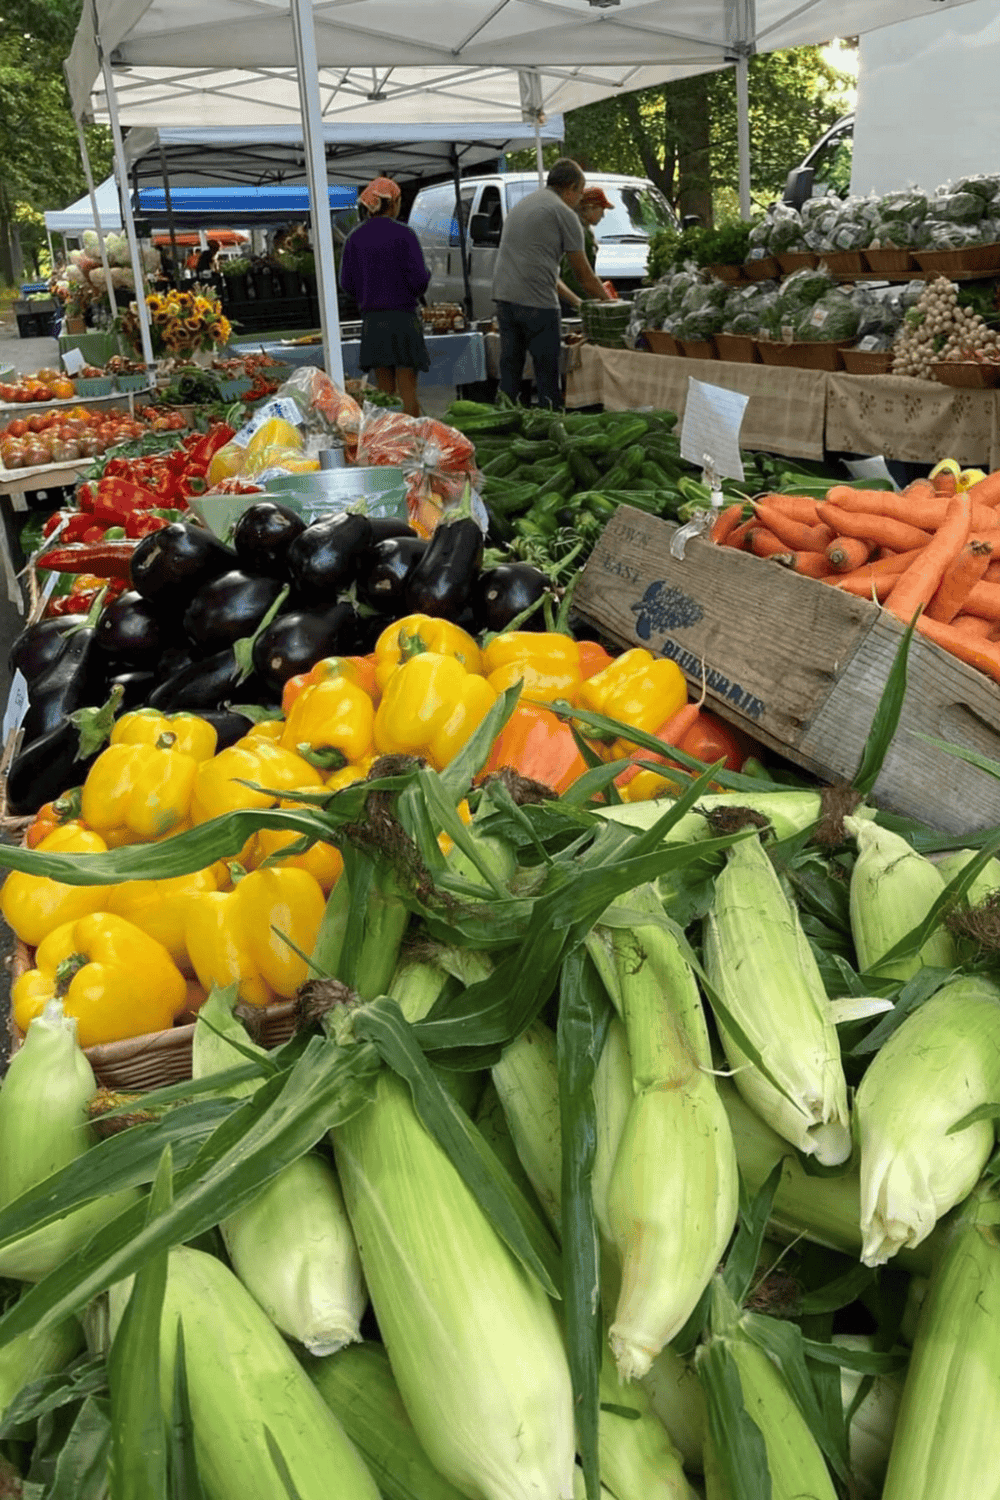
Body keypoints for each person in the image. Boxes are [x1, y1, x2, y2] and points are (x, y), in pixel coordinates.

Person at [491, 158, 611, 409]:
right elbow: (584, 276)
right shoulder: (564, 214)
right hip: (538, 305)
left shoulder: (525, 204)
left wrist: (576, 302)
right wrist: (611, 305)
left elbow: (546, 271)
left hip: (505, 299)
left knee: (510, 370)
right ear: (570, 187)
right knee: (547, 375)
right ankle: (550, 427)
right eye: (580, 191)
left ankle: (503, 424)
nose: (580, 199)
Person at [339, 176, 431, 417]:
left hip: (374, 321)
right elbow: (419, 280)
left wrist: (367, 293)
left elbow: (346, 284)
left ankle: (387, 443)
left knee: (385, 393)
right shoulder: (405, 235)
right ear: (394, 203)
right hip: (403, 320)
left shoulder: (354, 239)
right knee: (408, 392)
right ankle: (412, 441)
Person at [557, 185, 614, 311]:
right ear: (590, 208)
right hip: (572, 306)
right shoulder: (580, 233)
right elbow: (573, 276)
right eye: (601, 210)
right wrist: (594, 301)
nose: (603, 216)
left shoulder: (577, 228)